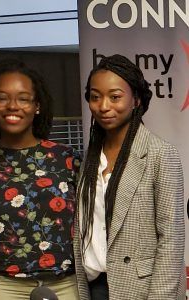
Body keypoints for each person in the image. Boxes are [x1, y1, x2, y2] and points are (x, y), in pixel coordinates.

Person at [74, 54, 186, 300]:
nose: (103, 106)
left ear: (135, 100)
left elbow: (171, 239)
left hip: (141, 290)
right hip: (94, 286)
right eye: (95, 97)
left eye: (115, 97)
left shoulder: (160, 154)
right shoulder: (91, 157)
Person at [0, 59, 81, 300]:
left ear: (37, 106)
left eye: (23, 98)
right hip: (0, 285)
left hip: (64, 284)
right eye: (1, 97)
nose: (13, 106)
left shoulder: (66, 158)